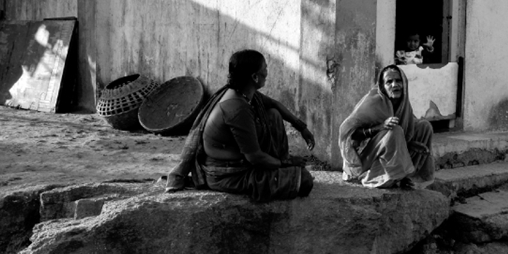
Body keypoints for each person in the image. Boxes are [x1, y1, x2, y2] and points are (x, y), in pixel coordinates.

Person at [166, 50, 315, 202]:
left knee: (273, 115)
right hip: (227, 174)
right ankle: (277, 168)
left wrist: (301, 127)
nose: (267, 73)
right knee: (304, 180)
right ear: (255, 77)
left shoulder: (244, 92)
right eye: (265, 68)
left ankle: (277, 165)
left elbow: (274, 104)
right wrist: (285, 162)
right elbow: (255, 157)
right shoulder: (237, 108)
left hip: (242, 161)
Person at [339, 65, 434, 188]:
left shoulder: (403, 105)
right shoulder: (373, 102)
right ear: (382, 87)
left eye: (398, 81)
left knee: (424, 126)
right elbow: (348, 134)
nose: (395, 85)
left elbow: (396, 139)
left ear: (404, 83)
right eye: (389, 82)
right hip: (365, 158)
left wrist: (412, 144)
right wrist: (379, 127)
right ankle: (383, 176)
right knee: (395, 129)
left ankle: (407, 176)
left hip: (386, 152)